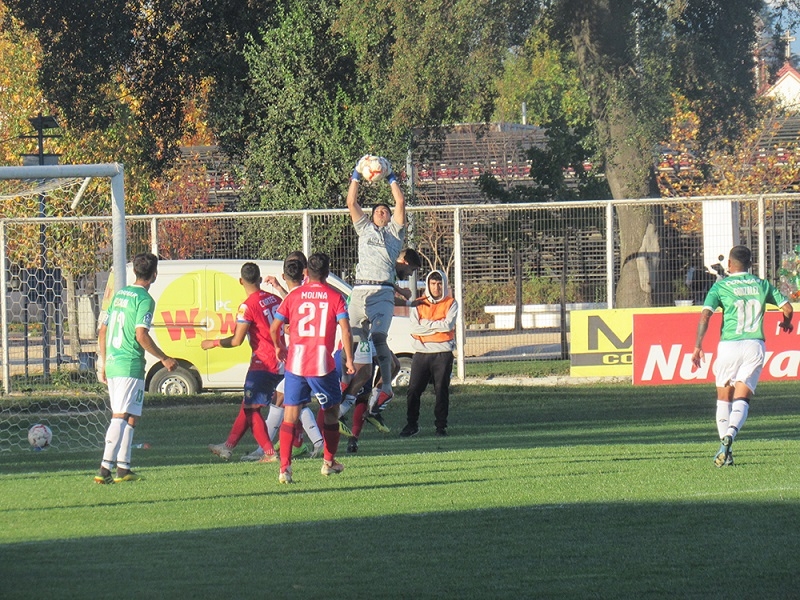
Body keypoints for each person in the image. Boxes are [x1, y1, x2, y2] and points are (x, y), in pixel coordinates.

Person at [691, 245, 793, 467]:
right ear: (750, 264)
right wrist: (786, 323)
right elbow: (787, 308)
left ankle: (725, 449)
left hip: (729, 346)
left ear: (729, 264)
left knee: (723, 399)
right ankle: (730, 437)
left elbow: (705, 317)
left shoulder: (721, 286)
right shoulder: (761, 284)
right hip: (754, 346)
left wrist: (698, 345)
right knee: (742, 398)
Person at [270, 252, 355, 483]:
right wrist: (348, 359)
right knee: (331, 412)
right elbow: (346, 330)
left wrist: (279, 347)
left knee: (290, 415)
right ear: (327, 273)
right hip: (321, 364)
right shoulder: (335, 297)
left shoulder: (294, 296)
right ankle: (328, 462)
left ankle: (284, 469)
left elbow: (275, 326)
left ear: (306, 272)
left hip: (296, 363)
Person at [94, 252, 177, 484]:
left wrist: (103, 361)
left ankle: (124, 468)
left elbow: (103, 330)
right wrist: (164, 358)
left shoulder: (120, 294)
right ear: (154, 275)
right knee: (120, 415)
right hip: (128, 364)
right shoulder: (144, 300)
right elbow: (141, 335)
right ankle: (104, 469)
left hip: (114, 363)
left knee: (131, 416)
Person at [203, 262, 283, 462]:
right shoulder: (274, 298)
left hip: (263, 362)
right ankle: (228, 446)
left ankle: (269, 453)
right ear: (259, 277)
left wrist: (212, 343)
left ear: (241, 281)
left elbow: (237, 340)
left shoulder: (247, 306)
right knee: (248, 404)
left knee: (251, 409)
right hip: (282, 359)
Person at [347, 155, 408, 417]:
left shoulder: (395, 232)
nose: (382, 212)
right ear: (371, 217)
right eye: (377, 211)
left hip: (383, 290)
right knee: (349, 338)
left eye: (385, 210)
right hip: (359, 291)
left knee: (379, 338)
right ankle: (344, 392)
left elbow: (400, 202)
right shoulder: (365, 229)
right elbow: (351, 202)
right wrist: (356, 175)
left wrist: (391, 176)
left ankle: (385, 388)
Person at [400, 270, 458, 438]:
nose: (436, 287)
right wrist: (436, 326)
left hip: (443, 353)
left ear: (444, 284)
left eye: (440, 284)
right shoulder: (418, 303)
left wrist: (425, 325)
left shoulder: (451, 303)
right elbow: (414, 328)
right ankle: (412, 425)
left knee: (441, 390)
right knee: (413, 390)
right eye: (433, 284)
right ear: (428, 284)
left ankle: (441, 427)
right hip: (421, 353)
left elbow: (448, 326)